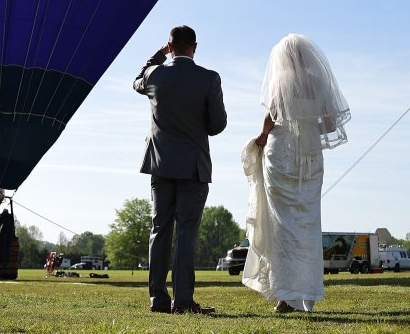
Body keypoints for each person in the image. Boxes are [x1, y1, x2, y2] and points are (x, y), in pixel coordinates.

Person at [241, 34, 351, 314]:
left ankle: (285, 296)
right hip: (309, 154)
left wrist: (264, 135)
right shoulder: (318, 81)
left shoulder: (282, 80)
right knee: (308, 224)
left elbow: (272, 114)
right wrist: (307, 123)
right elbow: (328, 124)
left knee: (282, 225)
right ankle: (306, 295)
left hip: (282, 152)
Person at [134, 25, 226, 315]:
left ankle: (158, 300)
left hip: (160, 166)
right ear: (195, 47)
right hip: (193, 166)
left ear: (170, 46)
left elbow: (138, 79)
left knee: (159, 230)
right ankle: (183, 300)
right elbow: (217, 125)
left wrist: (157, 56)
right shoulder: (209, 78)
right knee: (186, 233)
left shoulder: (155, 74)